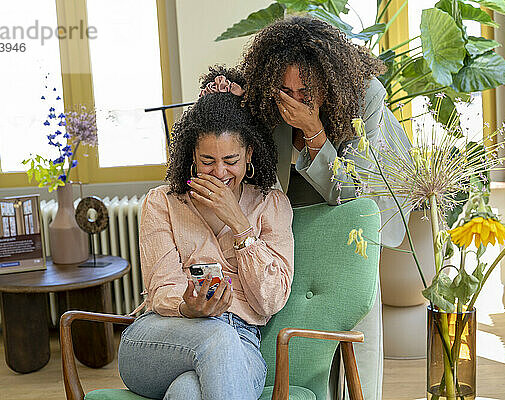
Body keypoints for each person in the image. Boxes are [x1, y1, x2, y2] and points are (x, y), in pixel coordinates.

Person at [240, 16, 412, 400]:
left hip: (355, 218)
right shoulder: (268, 97)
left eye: (306, 90)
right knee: (302, 335)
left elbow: (356, 192)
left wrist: (314, 130)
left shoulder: (365, 96)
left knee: (357, 323)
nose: (295, 99)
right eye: (285, 90)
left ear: (328, 79)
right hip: (295, 224)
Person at [118, 67, 294, 400]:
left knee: (187, 392)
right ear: (191, 157)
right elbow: (161, 289)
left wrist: (240, 224)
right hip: (162, 336)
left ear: (249, 155)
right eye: (207, 161)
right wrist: (189, 307)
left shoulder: (271, 205)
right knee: (217, 336)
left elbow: (271, 300)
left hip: (242, 344)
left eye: (230, 160)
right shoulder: (163, 203)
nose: (220, 172)